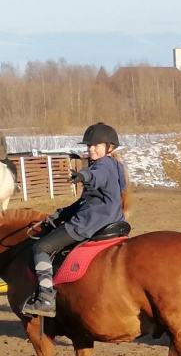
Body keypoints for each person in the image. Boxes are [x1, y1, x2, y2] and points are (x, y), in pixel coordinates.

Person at [22, 122, 128, 318]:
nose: (91, 149)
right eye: (89, 145)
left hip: (90, 222)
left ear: (109, 147)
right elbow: (86, 200)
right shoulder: (114, 164)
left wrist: (82, 175)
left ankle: (45, 298)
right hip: (110, 219)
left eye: (96, 145)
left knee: (40, 248)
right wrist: (61, 214)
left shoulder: (103, 166)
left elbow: (96, 176)